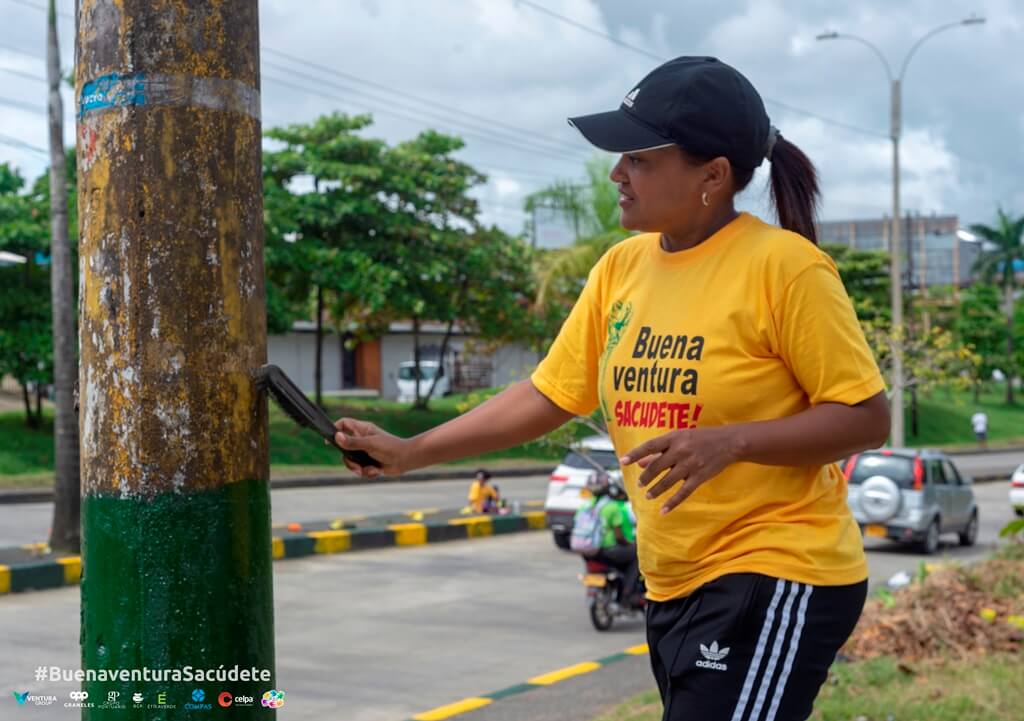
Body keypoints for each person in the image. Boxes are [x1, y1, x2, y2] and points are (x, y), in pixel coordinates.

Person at [333, 56, 890, 721]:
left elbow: (864, 417)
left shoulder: (785, 268)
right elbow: (549, 393)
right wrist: (409, 450)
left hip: (777, 569)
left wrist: (731, 442)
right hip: (672, 577)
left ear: (712, 176)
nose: (615, 174)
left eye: (639, 159)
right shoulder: (622, 267)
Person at [577, 472, 642, 607]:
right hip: (609, 551)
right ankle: (627, 592)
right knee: (637, 555)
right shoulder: (612, 507)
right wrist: (630, 543)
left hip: (588, 551)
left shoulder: (585, 507)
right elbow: (619, 536)